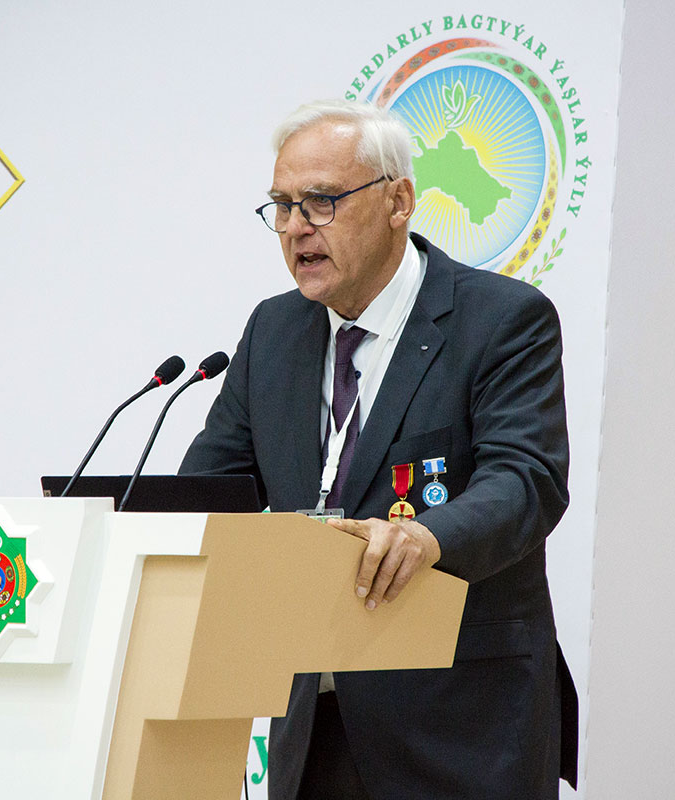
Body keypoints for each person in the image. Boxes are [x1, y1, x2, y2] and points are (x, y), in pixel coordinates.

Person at [180, 99, 576, 800]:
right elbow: (209, 494)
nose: (296, 227)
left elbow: (526, 480)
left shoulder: (502, 320)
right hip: (316, 729)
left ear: (398, 202)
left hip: (462, 731)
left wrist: (427, 536)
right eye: (282, 206)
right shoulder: (274, 331)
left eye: (322, 202)